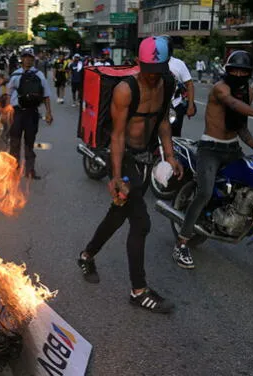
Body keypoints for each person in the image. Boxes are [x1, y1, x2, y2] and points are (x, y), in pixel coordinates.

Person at [76, 36, 182, 314]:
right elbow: (118, 135)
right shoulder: (126, 89)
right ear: (138, 63)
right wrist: (115, 176)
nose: (152, 78)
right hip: (123, 158)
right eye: (148, 72)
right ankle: (139, 291)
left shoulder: (167, 83)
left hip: (146, 158)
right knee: (141, 223)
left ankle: (87, 255)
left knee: (118, 214)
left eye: (158, 72)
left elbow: (161, 122)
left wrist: (170, 156)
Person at [172, 50, 253, 269]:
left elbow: (240, 125)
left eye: (243, 71)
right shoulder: (220, 88)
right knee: (204, 192)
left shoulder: (247, 92)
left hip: (232, 149)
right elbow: (232, 104)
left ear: (248, 73)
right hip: (210, 149)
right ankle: (182, 243)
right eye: (235, 70)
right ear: (227, 70)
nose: (239, 74)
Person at [7, 48, 53, 180]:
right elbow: (8, 94)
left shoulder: (39, 75)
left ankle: (30, 170)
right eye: (25, 57)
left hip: (32, 113)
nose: (27, 59)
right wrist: (6, 112)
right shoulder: (15, 75)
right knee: (14, 142)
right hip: (17, 113)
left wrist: (49, 113)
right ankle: (13, 169)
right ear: (22, 59)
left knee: (29, 143)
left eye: (30, 57)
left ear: (33, 59)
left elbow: (46, 95)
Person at [162, 35, 195, 137]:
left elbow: (189, 84)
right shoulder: (153, 62)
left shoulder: (178, 64)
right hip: (156, 106)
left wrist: (190, 106)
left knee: (175, 137)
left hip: (175, 106)